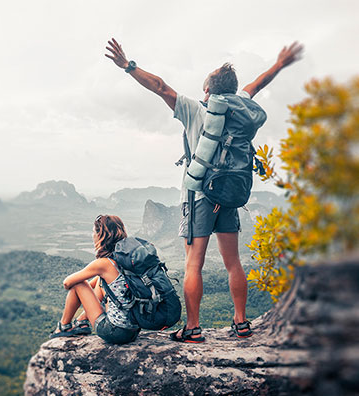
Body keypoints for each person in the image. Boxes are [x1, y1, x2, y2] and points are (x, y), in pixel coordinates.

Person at [105, 38, 303, 342]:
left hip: (200, 197)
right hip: (230, 195)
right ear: (233, 91)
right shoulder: (241, 108)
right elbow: (257, 84)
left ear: (209, 90)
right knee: (233, 262)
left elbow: (160, 86)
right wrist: (279, 64)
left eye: (205, 86)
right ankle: (241, 323)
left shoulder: (197, 110)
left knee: (193, 262)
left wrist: (128, 66)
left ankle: (193, 328)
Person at [50, 214, 140, 344]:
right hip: (133, 331)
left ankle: (64, 326)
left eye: (93, 232)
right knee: (100, 280)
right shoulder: (126, 259)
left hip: (114, 332)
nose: (92, 235)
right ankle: (81, 322)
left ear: (101, 235)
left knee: (78, 284)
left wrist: (81, 288)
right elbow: (97, 283)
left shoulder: (103, 264)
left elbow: (67, 282)